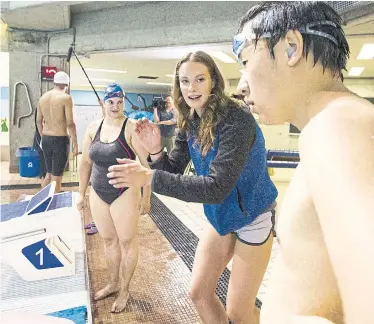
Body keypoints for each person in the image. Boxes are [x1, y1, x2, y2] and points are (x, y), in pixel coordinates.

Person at [107, 51, 278, 324]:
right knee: (199, 293)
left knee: (239, 311)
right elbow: (172, 169)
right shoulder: (190, 120)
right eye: (185, 81)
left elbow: (215, 187)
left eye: (200, 79)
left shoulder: (236, 120)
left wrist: (148, 177)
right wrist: (154, 152)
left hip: (252, 216)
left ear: (213, 82)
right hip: (221, 215)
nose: (192, 88)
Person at [232, 2, 374, 324]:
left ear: (291, 47)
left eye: (245, 61)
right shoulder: (336, 123)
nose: (241, 86)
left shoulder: (336, 126)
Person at [76, 84, 151, 313]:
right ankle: (113, 283)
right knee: (108, 241)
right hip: (98, 191)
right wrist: (81, 193)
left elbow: (146, 165)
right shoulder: (92, 128)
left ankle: (125, 289)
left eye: (119, 102)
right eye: (111, 102)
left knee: (127, 242)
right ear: (103, 103)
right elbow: (85, 163)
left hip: (124, 192)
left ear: (124, 102)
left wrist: (146, 197)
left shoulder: (130, 128)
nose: (115, 106)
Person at [36, 71, 78, 193]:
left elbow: (38, 121)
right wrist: (75, 143)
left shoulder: (43, 98)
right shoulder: (66, 98)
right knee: (57, 177)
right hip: (60, 139)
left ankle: (42, 203)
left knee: (48, 174)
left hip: (46, 139)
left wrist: (42, 136)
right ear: (67, 84)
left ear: (54, 82)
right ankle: (54, 207)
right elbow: (70, 123)